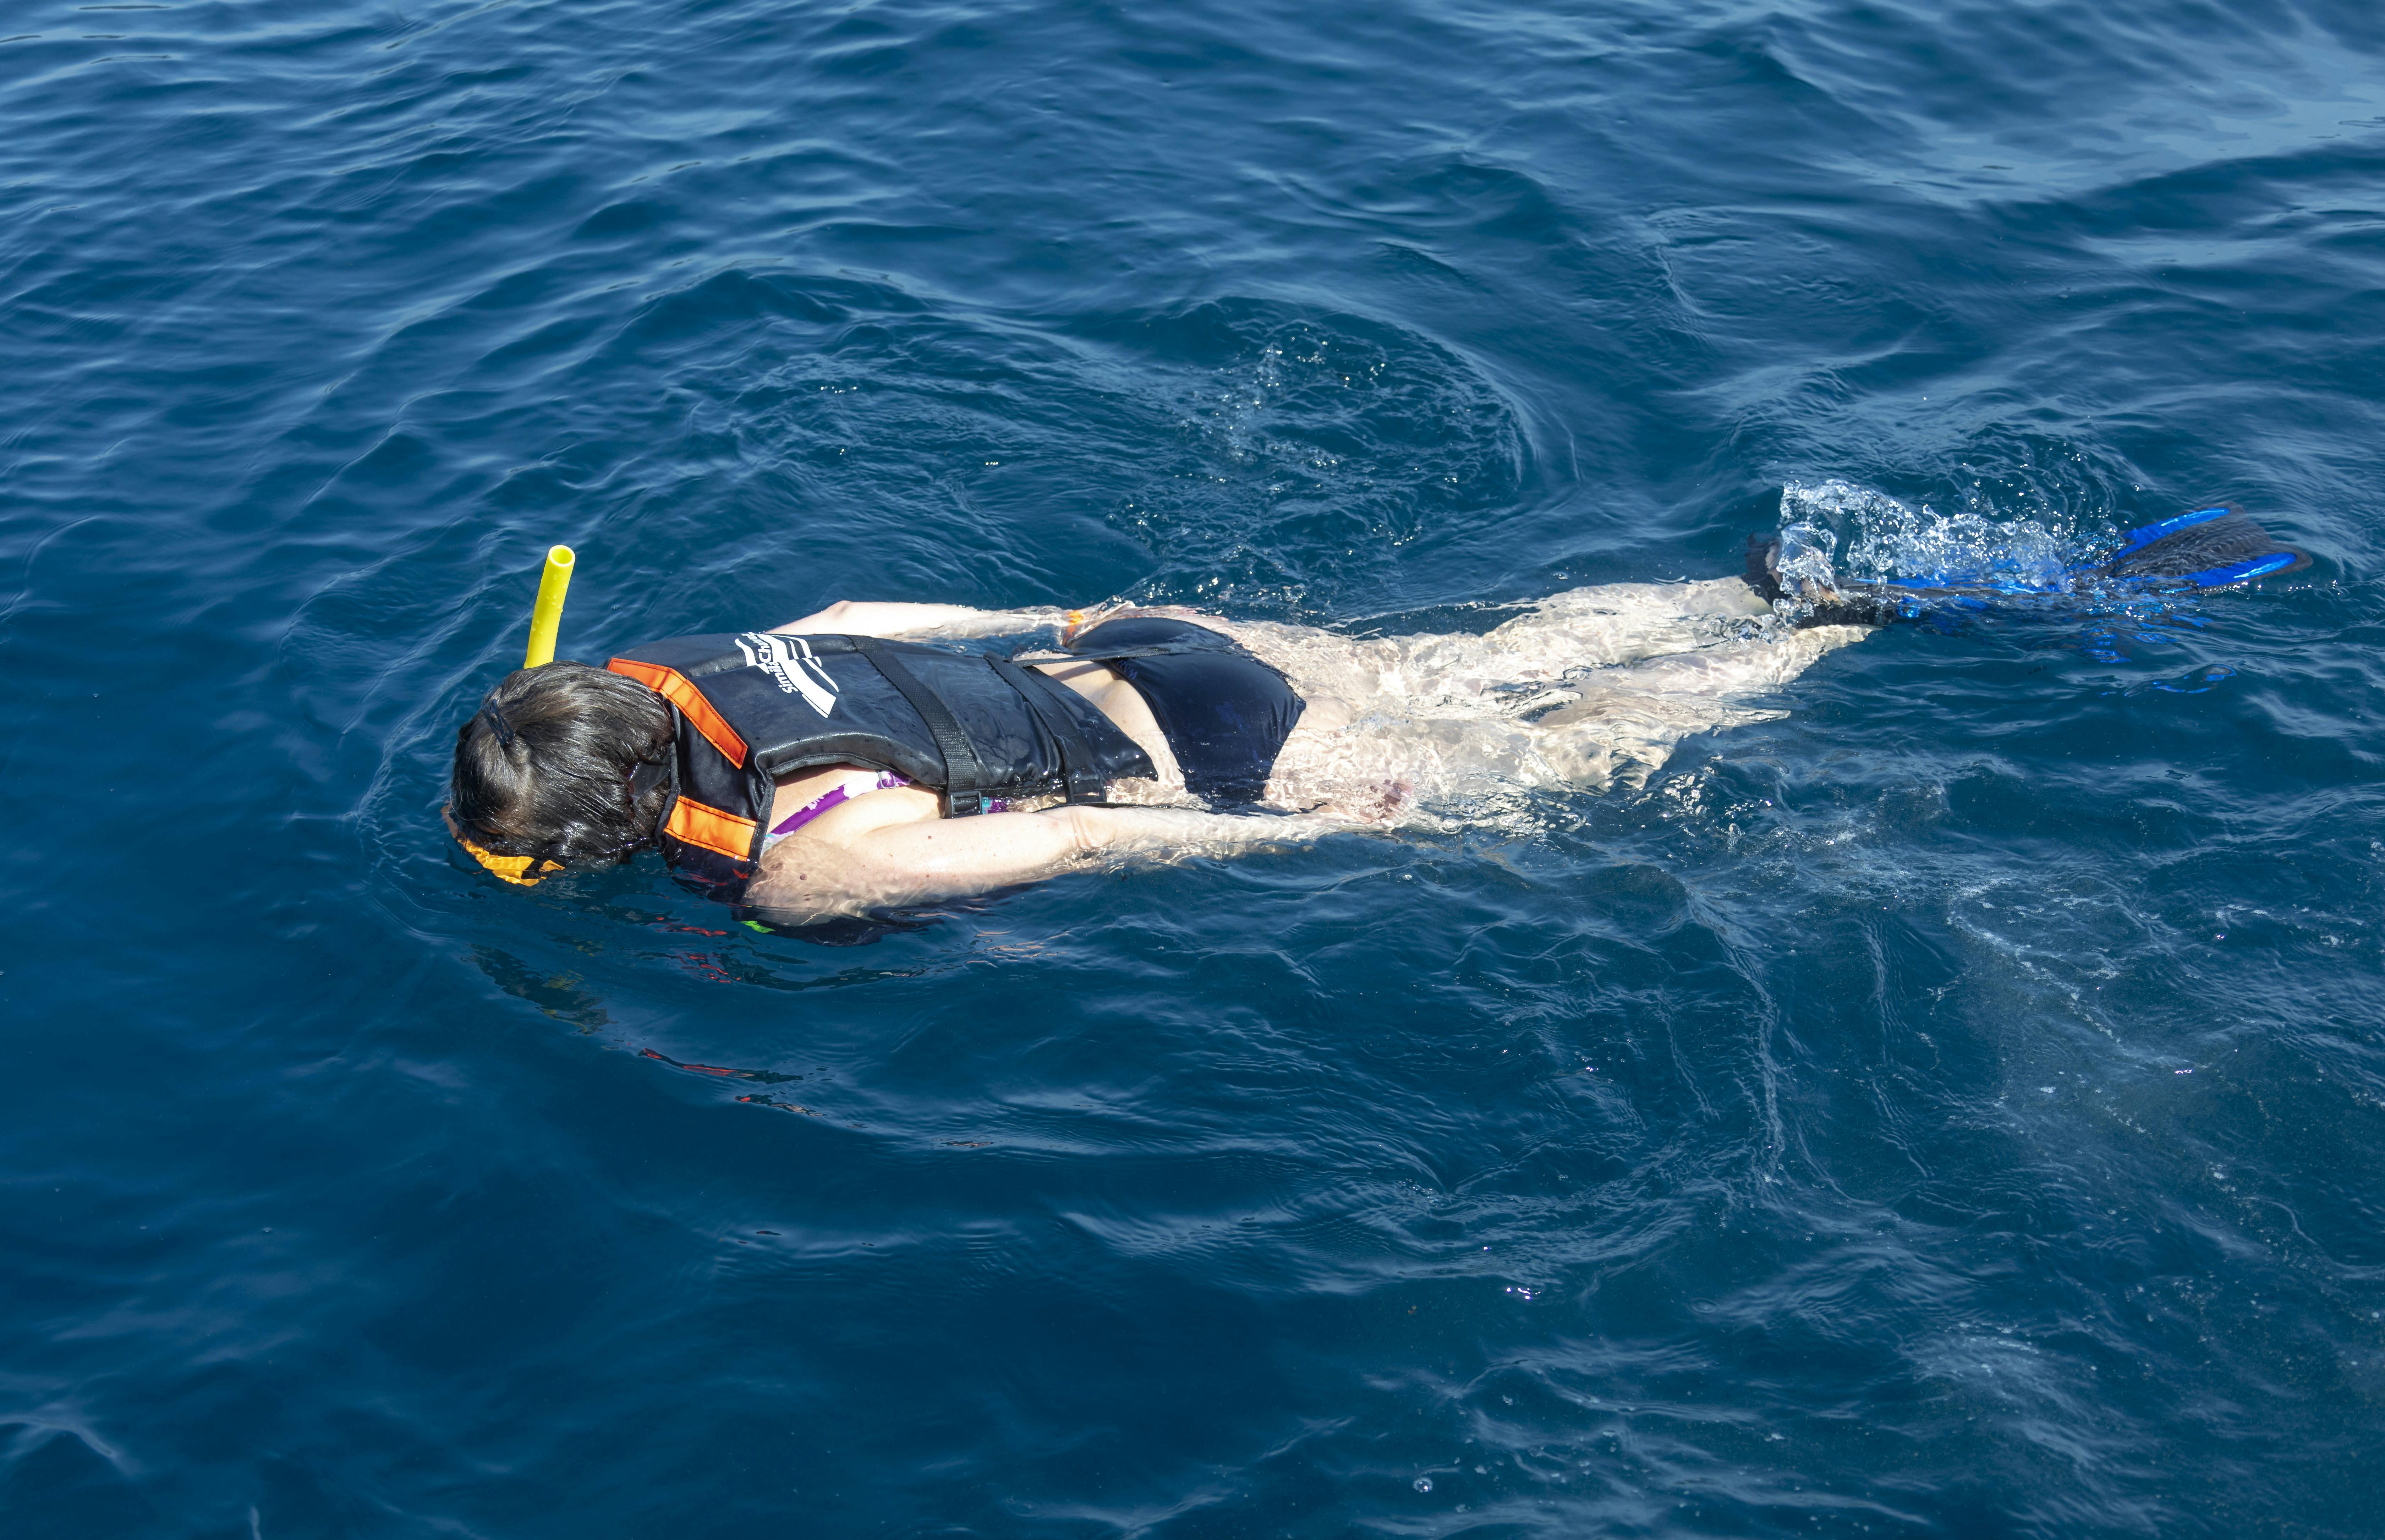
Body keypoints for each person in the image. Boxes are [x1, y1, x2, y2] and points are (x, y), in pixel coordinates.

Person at [444, 506, 2308, 925]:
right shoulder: (722, 651)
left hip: (1213, 756)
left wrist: (1345, 826)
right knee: (1512, 646)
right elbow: (870, 615)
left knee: (1584, 746)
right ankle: (1796, 583)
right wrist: (1085, 612)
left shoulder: (794, 870)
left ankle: (1869, 628)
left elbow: (1080, 834)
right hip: (1160, 645)